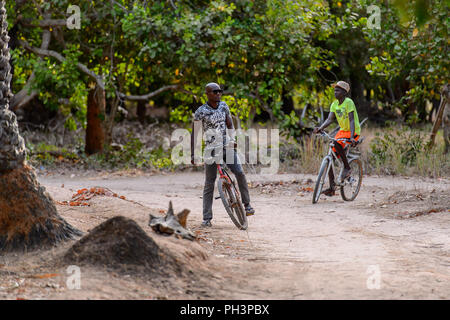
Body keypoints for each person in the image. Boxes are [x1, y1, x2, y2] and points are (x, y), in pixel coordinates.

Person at [191, 82, 255, 227]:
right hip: (211, 149)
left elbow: (230, 124)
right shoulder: (201, 111)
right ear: (207, 94)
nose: (218, 94)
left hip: (226, 146)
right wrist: (193, 153)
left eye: (219, 91)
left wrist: (232, 139)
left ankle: (247, 204)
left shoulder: (224, 106)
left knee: (239, 172)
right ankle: (207, 218)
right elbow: (195, 133)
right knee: (209, 183)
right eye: (215, 92)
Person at [313, 81, 361, 196]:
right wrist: (320, 128)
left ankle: (347, 168)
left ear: (344, 92)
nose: (335, 92)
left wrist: (351, 137)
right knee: (331, 157)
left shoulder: (349, 102)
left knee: (336, 143)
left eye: (338, 90)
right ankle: (331, 188)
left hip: (352, 131)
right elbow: (330, 119)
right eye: (334, 90)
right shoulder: (334, 104)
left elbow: (351, 120)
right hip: (342, 131)